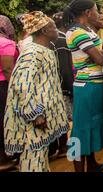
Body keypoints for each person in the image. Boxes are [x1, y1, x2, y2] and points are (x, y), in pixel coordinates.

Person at [3, 11, 69, 172]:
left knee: (40, 155)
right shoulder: (32, 53)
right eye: (53, 27)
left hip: (44, 113)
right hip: (34, 117)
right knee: (33, 156)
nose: (57, 30)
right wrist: (35, 114)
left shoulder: (44, 49)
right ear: (45, 31)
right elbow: (21, 85)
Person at [64, 0, 103, 172]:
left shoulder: (87, 30)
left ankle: (91, 164)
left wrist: (101, 54)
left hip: (95, 84)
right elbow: (99, 58)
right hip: (87, 86)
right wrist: (101, 55)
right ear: (87, 13)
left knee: (92, 125)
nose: (98, 14)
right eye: (96, 10)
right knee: (80, 130)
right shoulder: (76, 32)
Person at [50, 12, 75, 158]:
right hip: (64, 87)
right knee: (69, 122)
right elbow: (65, 68)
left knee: (62, 120)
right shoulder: (61, 41)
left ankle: (64, 148)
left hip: (58, 86)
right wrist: (69, 88)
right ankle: (68, 151)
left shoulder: (57, 40)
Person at [0, 15, 19, 172]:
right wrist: (16, 89)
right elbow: (7, 69)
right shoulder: (6, 44)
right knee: (4, 120)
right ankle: (3, 158)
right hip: (3, 86)